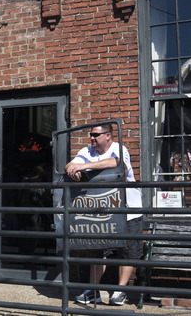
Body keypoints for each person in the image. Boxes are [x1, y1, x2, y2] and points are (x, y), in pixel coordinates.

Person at [64, 123, 142, 306]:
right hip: (102, 210)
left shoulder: (118, 148)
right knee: (99, 249)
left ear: (108, 136)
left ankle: (120, 291)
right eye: (91, 135)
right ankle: (93, 291)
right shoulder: (86, 150)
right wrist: (73, 171)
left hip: (128, 209)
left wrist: (84, 167)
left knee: (128, 252)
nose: (92, 138)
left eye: (95, 135)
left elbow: (117, 163)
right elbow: (70, 164)